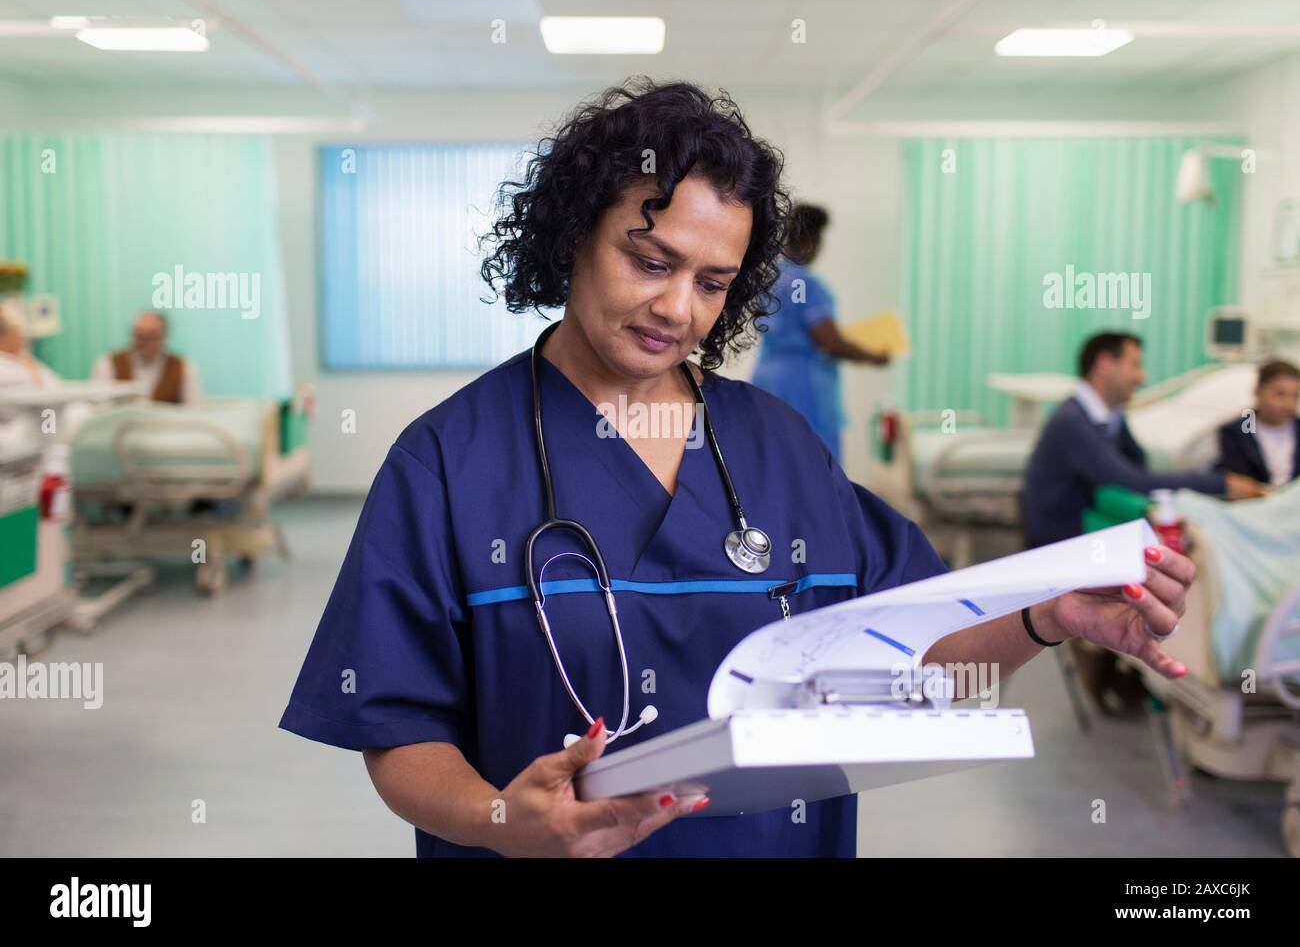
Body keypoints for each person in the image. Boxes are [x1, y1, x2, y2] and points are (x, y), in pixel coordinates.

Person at [279, 80, 1196, 859]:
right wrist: (499, 819)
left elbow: (918, 648)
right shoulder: (448, 459)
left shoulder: (778, 446)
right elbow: (394, 728)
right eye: (649, 260)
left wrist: (1048, 616)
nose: (676, 308)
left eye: (712, 283)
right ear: (571, 240)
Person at [1020, 332, 1265, 550]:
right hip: (1059, 543)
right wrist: (1221, 484)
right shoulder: (1072, 422)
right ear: (1104, 363)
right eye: (1135, 365)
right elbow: (1133, 479)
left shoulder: (1110, 414)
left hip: (1088, 525)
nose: (1141, 376)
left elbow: (1138, 463)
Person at [750, 204, 887, 463]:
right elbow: (829, 341)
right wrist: (872, 356)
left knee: (774, 455)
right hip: (802, 384)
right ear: (811, 242)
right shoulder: (809, 286)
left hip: (768, 376)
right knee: (814, 460)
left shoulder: (768, 279)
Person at [1216, 358, 1300, 487]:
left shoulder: (1297, 427)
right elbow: (1238, 479)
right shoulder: (1237, 431)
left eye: (1295, 395)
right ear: (1258, 392)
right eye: (1280, 394)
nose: (1288, 404)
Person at [90, 310, 202, 403]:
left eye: (149, 337)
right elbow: (97, 403)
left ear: (164, 336)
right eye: (138, 335)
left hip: (167, 428)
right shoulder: (109, 362)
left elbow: (194, 407)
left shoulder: (183, 366)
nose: (142, 342)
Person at [0, 301, 61, 390]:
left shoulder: (21, 360)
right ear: (3, 338)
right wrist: (32, 371)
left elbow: (56, 385)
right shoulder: (5, 369)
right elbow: (38, 390)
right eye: (18, 333)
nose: (23, 339)